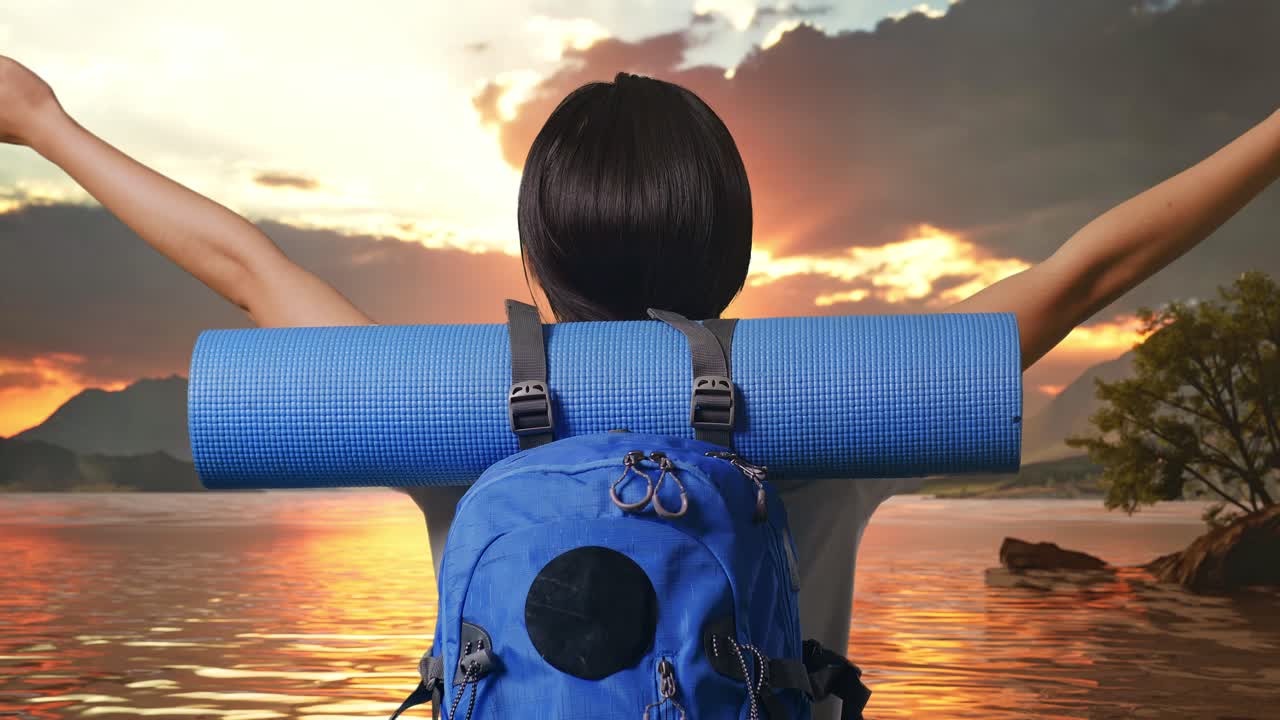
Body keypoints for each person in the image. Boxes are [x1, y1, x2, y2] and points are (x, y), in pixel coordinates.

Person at [3, 56, 1277, 719]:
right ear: (733, 256)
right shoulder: (840, 410)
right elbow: (1093, 264)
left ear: (531, 261)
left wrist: (46, 121)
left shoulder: (444, 413)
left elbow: (246, 267)